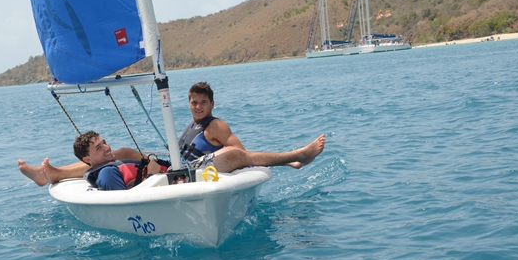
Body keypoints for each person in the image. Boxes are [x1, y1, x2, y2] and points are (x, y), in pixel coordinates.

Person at [18, 82, 325, 188]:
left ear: (212, 104)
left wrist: (282, 163)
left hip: (198, 169)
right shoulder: (191, 124)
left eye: (203, 102)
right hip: (176, 165)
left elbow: (241, 154)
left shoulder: (216, 125)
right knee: (119, 152)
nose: (198, 106)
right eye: (194, 102)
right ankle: (51, 175)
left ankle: (296, 156)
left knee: (234, 155)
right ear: (189, 104)